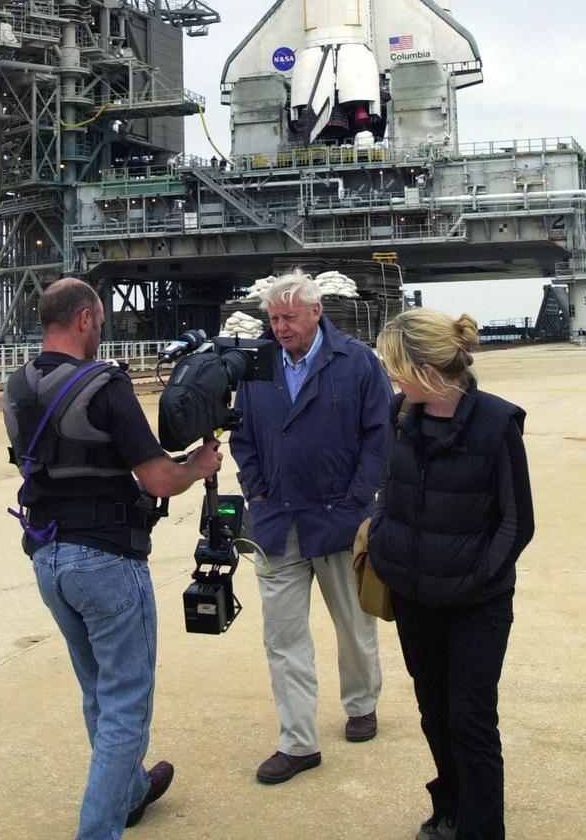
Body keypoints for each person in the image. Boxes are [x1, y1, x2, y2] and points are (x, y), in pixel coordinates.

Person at [3, 277, 222, 840]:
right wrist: (198, 466)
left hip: (47, 557)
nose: (101, 331)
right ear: (83, 320)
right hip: (106, 559)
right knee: (126, 703)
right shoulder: (105, 383)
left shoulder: (17, 385)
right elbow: (156, 478)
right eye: (99, 322)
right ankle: (99, 830)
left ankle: (130, 793)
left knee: (98, 690)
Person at [368, 308, 534, 840]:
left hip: (475, 604)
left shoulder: (496, 422)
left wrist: (477, 579)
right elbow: (389, 491)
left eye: (396, 365)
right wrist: (384, 546)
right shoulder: (401, 414)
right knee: (434, 712)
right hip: (415, 596)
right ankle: (451, 809)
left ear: (428, 370)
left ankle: (482, 829)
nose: (390, 375)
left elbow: (517, 522)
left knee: (471, 720)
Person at [229, 269, 391, 784]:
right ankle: (298, 741)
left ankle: (361, 703)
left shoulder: (356, 362)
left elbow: (379, 436)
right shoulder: (257, 366)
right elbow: (243, 436)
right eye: (274, 319)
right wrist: (254, 488)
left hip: (339, 520)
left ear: (316, 313)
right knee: (282, 637)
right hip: (277, 521)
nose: (281, 327)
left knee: (353, 622)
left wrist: (356, 499)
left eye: (290, 318)